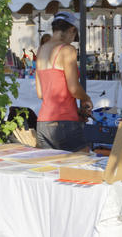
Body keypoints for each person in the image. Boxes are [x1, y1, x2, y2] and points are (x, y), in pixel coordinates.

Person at [35, 12, 92, 151]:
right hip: (64, 120)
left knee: (51, 164)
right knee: (83, 160)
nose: (72, 41)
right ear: (72, 30)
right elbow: (74, 88)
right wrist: (86, 98)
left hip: (43, 122)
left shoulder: (41, 50)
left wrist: (76, 110)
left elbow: (41, 93)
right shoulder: (67, 50)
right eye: (74, 36)